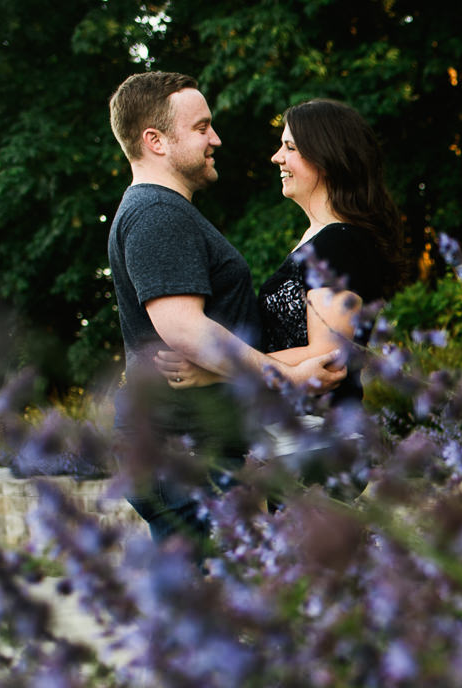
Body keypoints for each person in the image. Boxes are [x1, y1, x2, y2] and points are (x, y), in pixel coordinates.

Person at [105, 72, 344, 549]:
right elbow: (184, 329)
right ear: (155, 141)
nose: (215, 139)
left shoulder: (161, 210)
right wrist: (290, 379)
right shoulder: (158, 214)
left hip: (189, 449)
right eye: (200, 128)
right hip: (182, 452)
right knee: (208, 605)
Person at [158, 99, 408, 410]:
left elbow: (327, 353)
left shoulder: (340, 242)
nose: (277, 157)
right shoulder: (320, 239)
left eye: (290, 147)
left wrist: (216, 372)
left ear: (326, 157)